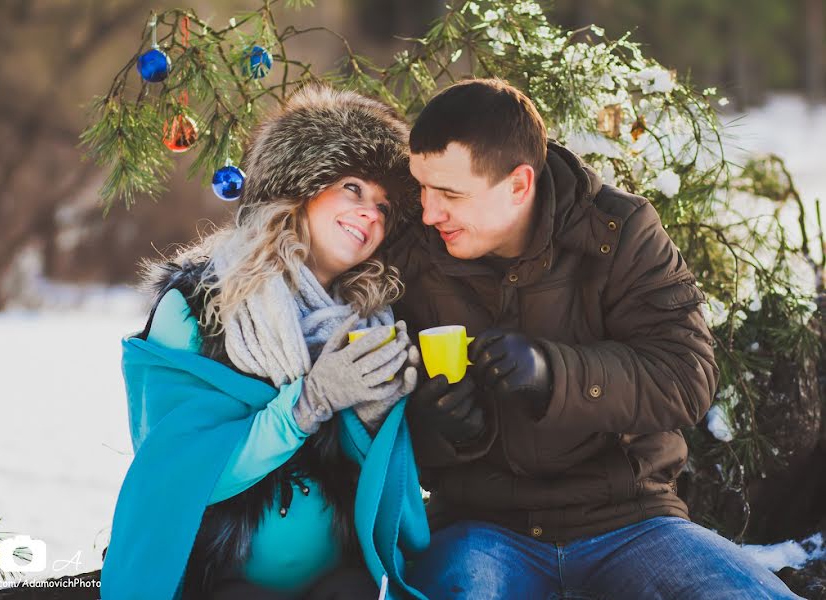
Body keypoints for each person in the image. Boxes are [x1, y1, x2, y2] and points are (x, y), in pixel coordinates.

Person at [387, 78, 801, 599]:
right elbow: (368, 427)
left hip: (632, 520)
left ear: (518, 184)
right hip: (479, 528)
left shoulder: (620, 230)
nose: (428, 212)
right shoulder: (411, 257)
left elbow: (687, 378)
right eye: (422, 187)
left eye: (449, 194)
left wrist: (554, 375)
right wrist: (438, 426)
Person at [100, 85, 430, 600]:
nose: (371, 213)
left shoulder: (372, 319)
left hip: (340, 581)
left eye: (385, 207)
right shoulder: (197, 305)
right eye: (352, 188)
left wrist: (373, 419)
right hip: (221, 580)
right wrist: (308, 403)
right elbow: (176, 477)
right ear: (300, 185)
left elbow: (390, 496)